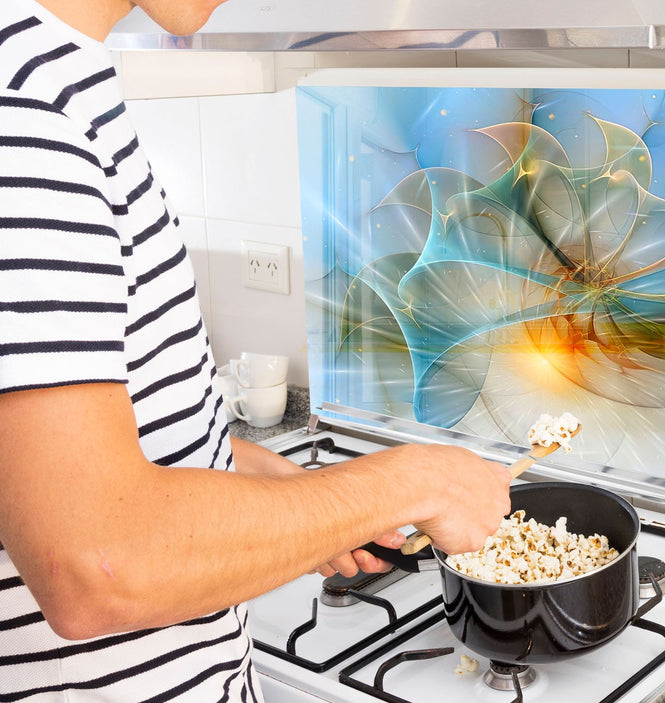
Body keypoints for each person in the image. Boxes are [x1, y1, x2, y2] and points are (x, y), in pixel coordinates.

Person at [0, 0, 513, 699]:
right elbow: (97, 564)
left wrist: (289, 495)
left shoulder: (54, 79)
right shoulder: (24, 117)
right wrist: (416, 480)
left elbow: (68, 455)